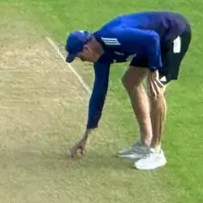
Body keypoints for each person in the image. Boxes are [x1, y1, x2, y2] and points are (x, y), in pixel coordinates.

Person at [64, 11, 193, 171]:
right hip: (150, 45)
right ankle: (145, 141)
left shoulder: (112, 36)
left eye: (80, 57)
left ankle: (156, 151)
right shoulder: (101, 59)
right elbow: (99, 92)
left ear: (87, 49)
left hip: (173, 33)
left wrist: (154, 69)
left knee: (156, 88)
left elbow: (152, 37)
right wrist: (86, 136)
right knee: (130, 80)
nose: (82, 61)